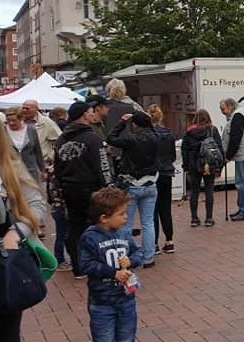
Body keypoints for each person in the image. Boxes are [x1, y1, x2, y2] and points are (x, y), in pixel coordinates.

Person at [0, 114, 48, 340]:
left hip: (4, 262)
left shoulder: (8, 163)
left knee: (7, 332)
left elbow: (35, 203)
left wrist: (15, 232)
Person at [54, 101, 112, 279]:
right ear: (84, 115)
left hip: (69, 188)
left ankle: (77, 265)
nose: (93, 113)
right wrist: (108, 187)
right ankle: (93, 262)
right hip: (90, 188)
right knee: (94, 226)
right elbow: (102, 166)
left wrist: (59, 188)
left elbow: (57, 167)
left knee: (75, 225)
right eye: (90, 111)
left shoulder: (62, 138)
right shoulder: (93, 138)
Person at [78, 187, 143, 342]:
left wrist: (131, 260)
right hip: (102, 303)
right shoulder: (90, 237)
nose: (126, 217)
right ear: (104, 218)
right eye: (121, 214)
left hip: (126, 299)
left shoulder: (124, 233)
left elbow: (138, 253)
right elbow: (85, 265)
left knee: (127, 337)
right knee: (104, 338)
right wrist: (112, 273)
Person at [107, 111, 159, 268]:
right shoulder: (156, 137)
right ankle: (149, 257)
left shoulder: (130, 138)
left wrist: (122, 123)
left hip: (131, 184)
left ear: (135, 125)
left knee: (126, 223)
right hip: (151, 183)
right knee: (148, 222)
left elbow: (110, 139)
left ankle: (127, 258)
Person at [180, 109, 222, 227]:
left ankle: (194, 219)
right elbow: (219, 148)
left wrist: (186, 166)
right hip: (209, 164)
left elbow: (185, 150)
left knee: (194, 191)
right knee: (209, 190)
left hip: (194, 165)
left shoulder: (189, 132)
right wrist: (220, 164)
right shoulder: (213, 130)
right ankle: (209, 218)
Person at [221, 98, 244, 221]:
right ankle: (243, 209)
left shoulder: (237, 116)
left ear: (230, 106)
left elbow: (235, 139)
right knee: (242, 182)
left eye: (223, 109)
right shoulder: (239, 114)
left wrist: (228, 157)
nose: (222, 112)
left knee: (242, 183)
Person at [147, 104, 175, 255]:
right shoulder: (168, 134)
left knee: (153, 210)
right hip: (167, 173)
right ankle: (169, 241)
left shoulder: (148, 135)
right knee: (166, 209)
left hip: (153, 174)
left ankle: (155, 243)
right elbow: (172, 156)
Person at [3, 107, 45, 184]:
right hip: (10, 173)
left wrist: (42, 169)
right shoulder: (2, 131)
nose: (11, 123)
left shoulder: (31, 130)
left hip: (31, 172)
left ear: (21, 119)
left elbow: (37, 151)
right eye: (8, 120)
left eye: (14, 120)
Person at [21, 99, 61, 166]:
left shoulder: (47, 122)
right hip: (23, 162)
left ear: (36, 109)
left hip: (41, 163)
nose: (24, 110)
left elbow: (59, 140)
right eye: (23, 108)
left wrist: (51, 156)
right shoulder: (19, 121)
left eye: (27, 109)